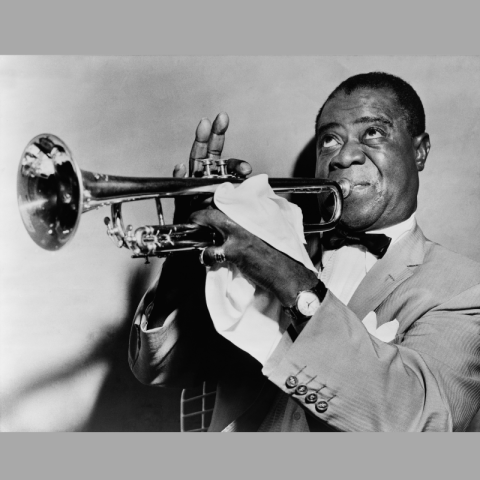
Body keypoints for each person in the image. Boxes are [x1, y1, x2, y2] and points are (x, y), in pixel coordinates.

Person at [128, 72, 480, 432]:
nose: (344, 156)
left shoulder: (464, 288)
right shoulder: (270, 250)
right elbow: (159, 368)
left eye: (373, 132)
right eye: (329, 140)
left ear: (419, 151)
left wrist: (288, 278)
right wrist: (186, 256)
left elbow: (426, 422)